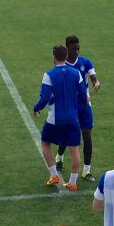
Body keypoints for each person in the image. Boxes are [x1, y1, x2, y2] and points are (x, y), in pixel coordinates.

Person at [33, 45, 86, 191]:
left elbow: (44, 98)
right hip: (72, 119)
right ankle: (73, 182)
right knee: (74, 149)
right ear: (66, 56)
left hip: (54, 119)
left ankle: (54, 175)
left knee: (45, 144)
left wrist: (36, 108)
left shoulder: (49, 75)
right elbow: (83, 94)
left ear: (54, 57)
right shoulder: (76, 73)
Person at [55, 36, 101, 182]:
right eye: (74, 49)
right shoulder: (62, 65)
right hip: (69, 105)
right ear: (67, 48)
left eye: (78, 48)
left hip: (84, 104)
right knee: (68, 134)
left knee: (87, 134)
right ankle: (59, 157)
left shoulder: (85, 62)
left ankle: (86, 170)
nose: (76, 51)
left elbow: (94, 77)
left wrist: (96, 83)